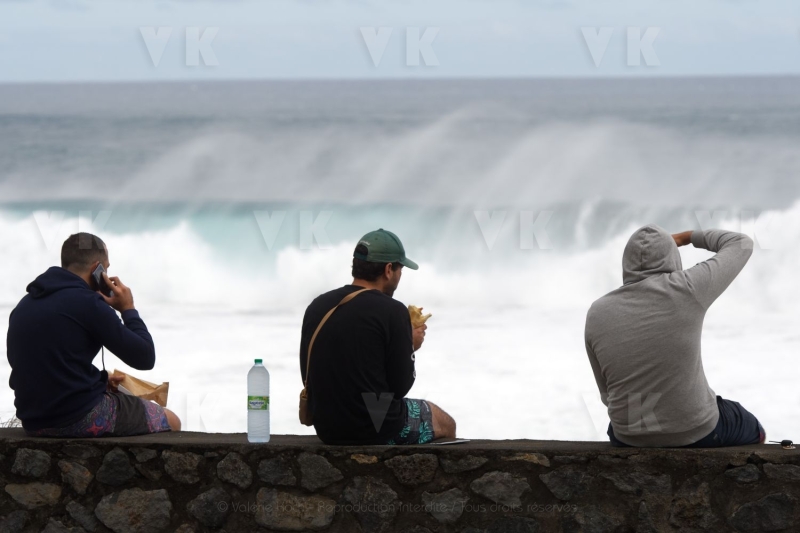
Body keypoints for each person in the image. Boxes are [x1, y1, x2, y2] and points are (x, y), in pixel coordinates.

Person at [585, 225, 764, 448]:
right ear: (671, 257)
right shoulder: (687, 289)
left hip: (627, 436)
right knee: (751, 426)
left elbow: (606, 395)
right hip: (695, 431)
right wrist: (687, 237)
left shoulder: (597, 311)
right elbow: (741, 243)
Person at [6, 233, 181, 437]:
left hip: (33, 421)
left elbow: (42, 364)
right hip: (76, 418)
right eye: (105, 269)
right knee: (171, 420)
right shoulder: (89, 303)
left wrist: (100, 379)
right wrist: (128, 309)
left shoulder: (25, 304)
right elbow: (145, 357)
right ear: (96, 269)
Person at [299, 228, 456, 445]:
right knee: (446, 423)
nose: (400, 276)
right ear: (389, 270)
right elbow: (400, 387)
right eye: (401, 269)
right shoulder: (393, 311)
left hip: (327, 427)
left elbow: (307, 372)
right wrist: (409, 345)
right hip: (376, 426)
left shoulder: (318, 306)